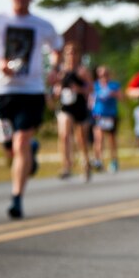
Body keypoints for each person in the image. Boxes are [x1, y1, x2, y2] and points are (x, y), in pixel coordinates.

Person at [0, 0, 63, 219]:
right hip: (3, 92)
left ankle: (17, 199)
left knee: (20, 142)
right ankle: (29, 154)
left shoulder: (42, 25)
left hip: (32, 91)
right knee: (8, 145)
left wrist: (55, 69)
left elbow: (57, 48)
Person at [53, 42, 93, 181]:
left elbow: (91, 89)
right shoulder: (61, 71)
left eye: (74, 53)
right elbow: (56, 87)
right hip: (65, 106)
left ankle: (86, 162)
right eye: (68, 53)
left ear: (78, 55)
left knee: (81, 138)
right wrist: (57, 91)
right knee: (64, 134)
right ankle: (66, 165)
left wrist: (80, 89)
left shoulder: (82, 71)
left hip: (79, 106)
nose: (71, 55)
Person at [90, 65, 121, 173]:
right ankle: (98, 160)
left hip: (111, 115)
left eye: (106, 74)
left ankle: (114, 161)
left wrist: (114, 94)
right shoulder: (95, 86)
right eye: (101, 75)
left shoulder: (114, 85)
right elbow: (90, 101)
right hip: (98, 115)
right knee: (98, 137)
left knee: (111, 139)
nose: (104, 77)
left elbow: (121, 97)